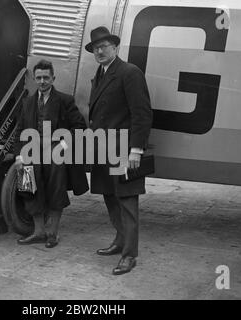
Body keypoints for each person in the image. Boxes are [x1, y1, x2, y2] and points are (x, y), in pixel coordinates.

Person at [85, 27, 153, 275]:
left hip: (123, 149)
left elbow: (142, 113)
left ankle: (129, 255)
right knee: (109, 196)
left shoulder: (129, 73)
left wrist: (136, 150)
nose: (100, 51)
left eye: (104, 46)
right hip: (102, 148)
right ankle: (120, 240)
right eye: (96, 48)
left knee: (126, 200)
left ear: (115, 47)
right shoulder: (100, 74)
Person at [14, 59, 88, 248]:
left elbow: (80, 127)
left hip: (56, 153)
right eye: (38, 77)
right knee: (28, 188)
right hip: (31, 151)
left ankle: (52, 234)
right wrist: (19, 156)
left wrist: (63, 145)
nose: (42, 81)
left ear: (53, 78)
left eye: (46, 77)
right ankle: (38, 232)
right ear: (34, 79)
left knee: (56, 191)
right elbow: (20, 131)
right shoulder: (27, 102)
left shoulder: (65, 100)